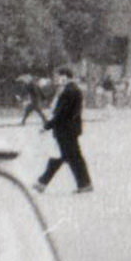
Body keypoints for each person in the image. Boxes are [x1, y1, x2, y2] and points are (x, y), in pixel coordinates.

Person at [34, 65, 91, 193]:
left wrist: (46, 126)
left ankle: (42, 183)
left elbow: (60, 114)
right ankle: (84, 184)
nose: (57, 79)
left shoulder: (69, 91)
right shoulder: (73, 89)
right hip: (70, 130)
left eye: (58, 76)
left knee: (66, 158)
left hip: (65, 130)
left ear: (65, 76)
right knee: (69, 157)